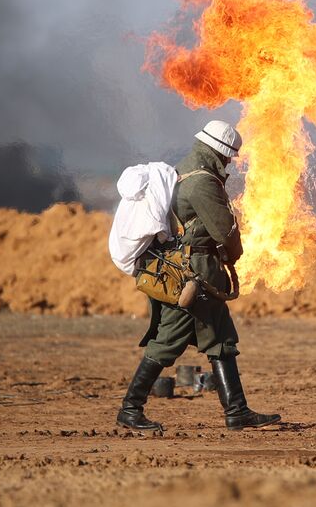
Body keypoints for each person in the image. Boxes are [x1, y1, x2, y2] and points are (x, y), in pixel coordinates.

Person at [116, 120, 281, 433]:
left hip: (191, 270)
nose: (230, 162)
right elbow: (224, 230)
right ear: (219, 153)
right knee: (167, 342)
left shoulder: (185, 170)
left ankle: (237, 412)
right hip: (196, 274)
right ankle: (130, 408)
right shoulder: (203, 182)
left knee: (220, 339)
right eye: (229, 156)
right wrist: (234, 255)